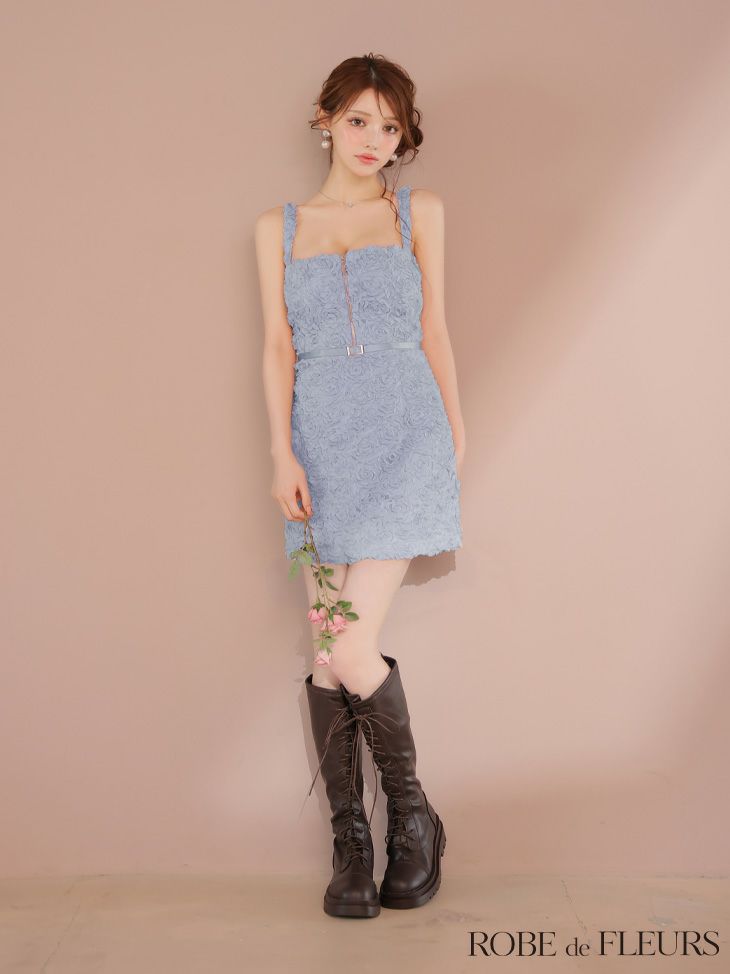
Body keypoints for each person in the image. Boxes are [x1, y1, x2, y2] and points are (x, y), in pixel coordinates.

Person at [255, 52, 466, 918]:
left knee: (347, 647)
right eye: (358, 121)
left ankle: (411, 819)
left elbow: (435, 329)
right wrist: (282, 454)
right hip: (320, 449)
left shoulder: (420, 212)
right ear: (325, 119)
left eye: (390, 126)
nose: (375, 139)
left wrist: (455, 436)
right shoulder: (279, 227)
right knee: (326, 651)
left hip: (405, 438)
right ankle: (353, 845)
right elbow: (277, 346)